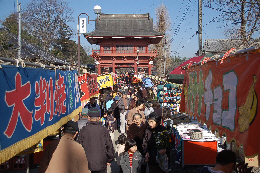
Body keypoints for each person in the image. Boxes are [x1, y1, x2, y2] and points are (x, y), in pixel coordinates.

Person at [78, 108, 115, 173]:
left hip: (87, 164)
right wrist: (109, 159)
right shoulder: (104, 130)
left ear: (88, 117)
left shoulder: (83, 130)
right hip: (101, 163)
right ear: (99, 118)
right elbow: (109, 146)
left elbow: (79, 146)